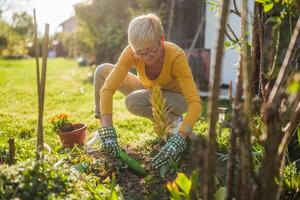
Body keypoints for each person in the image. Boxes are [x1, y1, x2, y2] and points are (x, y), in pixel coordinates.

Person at [93, 13, 202, 169]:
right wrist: (107, 128)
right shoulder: (132, 51)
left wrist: (181, 137)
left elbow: (195, 103)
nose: (145, 58)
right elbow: (108, 88)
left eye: (150, 51)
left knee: (133, 101)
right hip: (149, 91)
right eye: (139, 52)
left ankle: (175, 123)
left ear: (161, 40)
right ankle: (102, 131)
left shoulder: (175, 56)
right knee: (102, 70)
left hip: (178, 100)